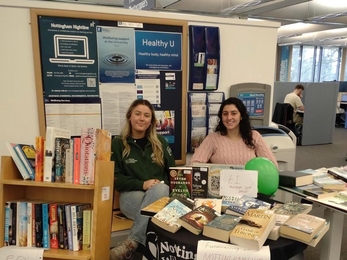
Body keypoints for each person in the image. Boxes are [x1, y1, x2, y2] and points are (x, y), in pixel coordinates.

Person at [110, 99, 176, 260]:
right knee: (158, 210)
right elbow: (115, 178)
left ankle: (132, 244)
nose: (142, 118)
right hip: (130, 197)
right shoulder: (118, 144)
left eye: (147, 115)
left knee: (160, 189)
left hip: (161, 197)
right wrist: (143, 184)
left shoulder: (160, 142)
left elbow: (174, 173)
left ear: (151, 121)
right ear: (129, 117)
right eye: (138, 114)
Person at [189, 97, 278, 168]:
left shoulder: (254, 136)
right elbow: (193, 164)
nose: (229, 117)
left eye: (234, 113)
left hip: (249, 188)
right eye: (225, 114)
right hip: (219, 189)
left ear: (241, 116)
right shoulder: (213, 138)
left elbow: (272, 165)